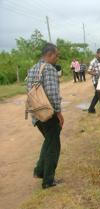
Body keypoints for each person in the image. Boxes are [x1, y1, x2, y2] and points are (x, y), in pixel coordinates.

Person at [26, 43, 64, 189]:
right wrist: (59, 113)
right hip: (48, 114)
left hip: (37, 113)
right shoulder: (49, 69)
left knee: (49, 141)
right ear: (50, 55)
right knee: (54, 145)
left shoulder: (33, 68)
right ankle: (48, 180)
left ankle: (40, 171)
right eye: (57, 55)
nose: (57, 57)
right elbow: (53, 94)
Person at [87, 48, 100, 113]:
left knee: (97, 96)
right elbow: (88, 71)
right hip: (96, 81)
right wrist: (97, 74)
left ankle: (90, 109)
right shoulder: (93, 62)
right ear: (97, 54)